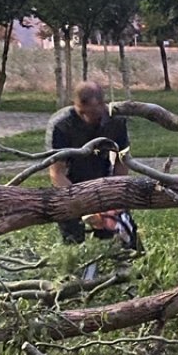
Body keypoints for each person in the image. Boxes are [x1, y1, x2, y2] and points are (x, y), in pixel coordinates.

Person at [46, 81, 140, 250]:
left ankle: (128, 264)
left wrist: (115, 196)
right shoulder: (60, 125)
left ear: (103, 105)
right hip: (69, 185)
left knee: (125, 231)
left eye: (93, 113)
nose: (87, 118)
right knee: (73, 240)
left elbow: (122, 160)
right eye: (82, 113)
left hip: (103, 180)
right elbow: (56, 173)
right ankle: (75, 268)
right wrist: (84, 208)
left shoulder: (116, 120)